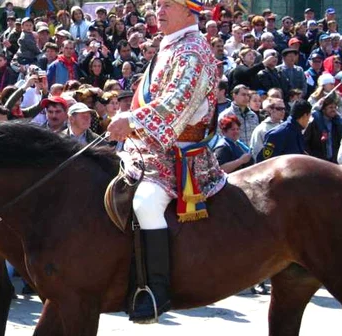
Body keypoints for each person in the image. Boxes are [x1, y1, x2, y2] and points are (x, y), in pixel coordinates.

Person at [107, 0, 225, 323]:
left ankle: (156, 290)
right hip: (148, 146)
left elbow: (175, 105)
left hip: (179, 154)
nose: (159, 10)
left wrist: (131, 121)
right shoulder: (170, 46)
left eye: (167, 4)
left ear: (190, 11)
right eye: (157, 4)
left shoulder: (193, 51)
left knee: (145, 202)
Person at [304, 94, 342, 163]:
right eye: (331, 107)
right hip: (317, 161)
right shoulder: (314, 123)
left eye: (335, 107)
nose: (334, 110)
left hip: (333, 161)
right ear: (323, 110)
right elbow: (306, 142)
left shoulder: (337, 123)